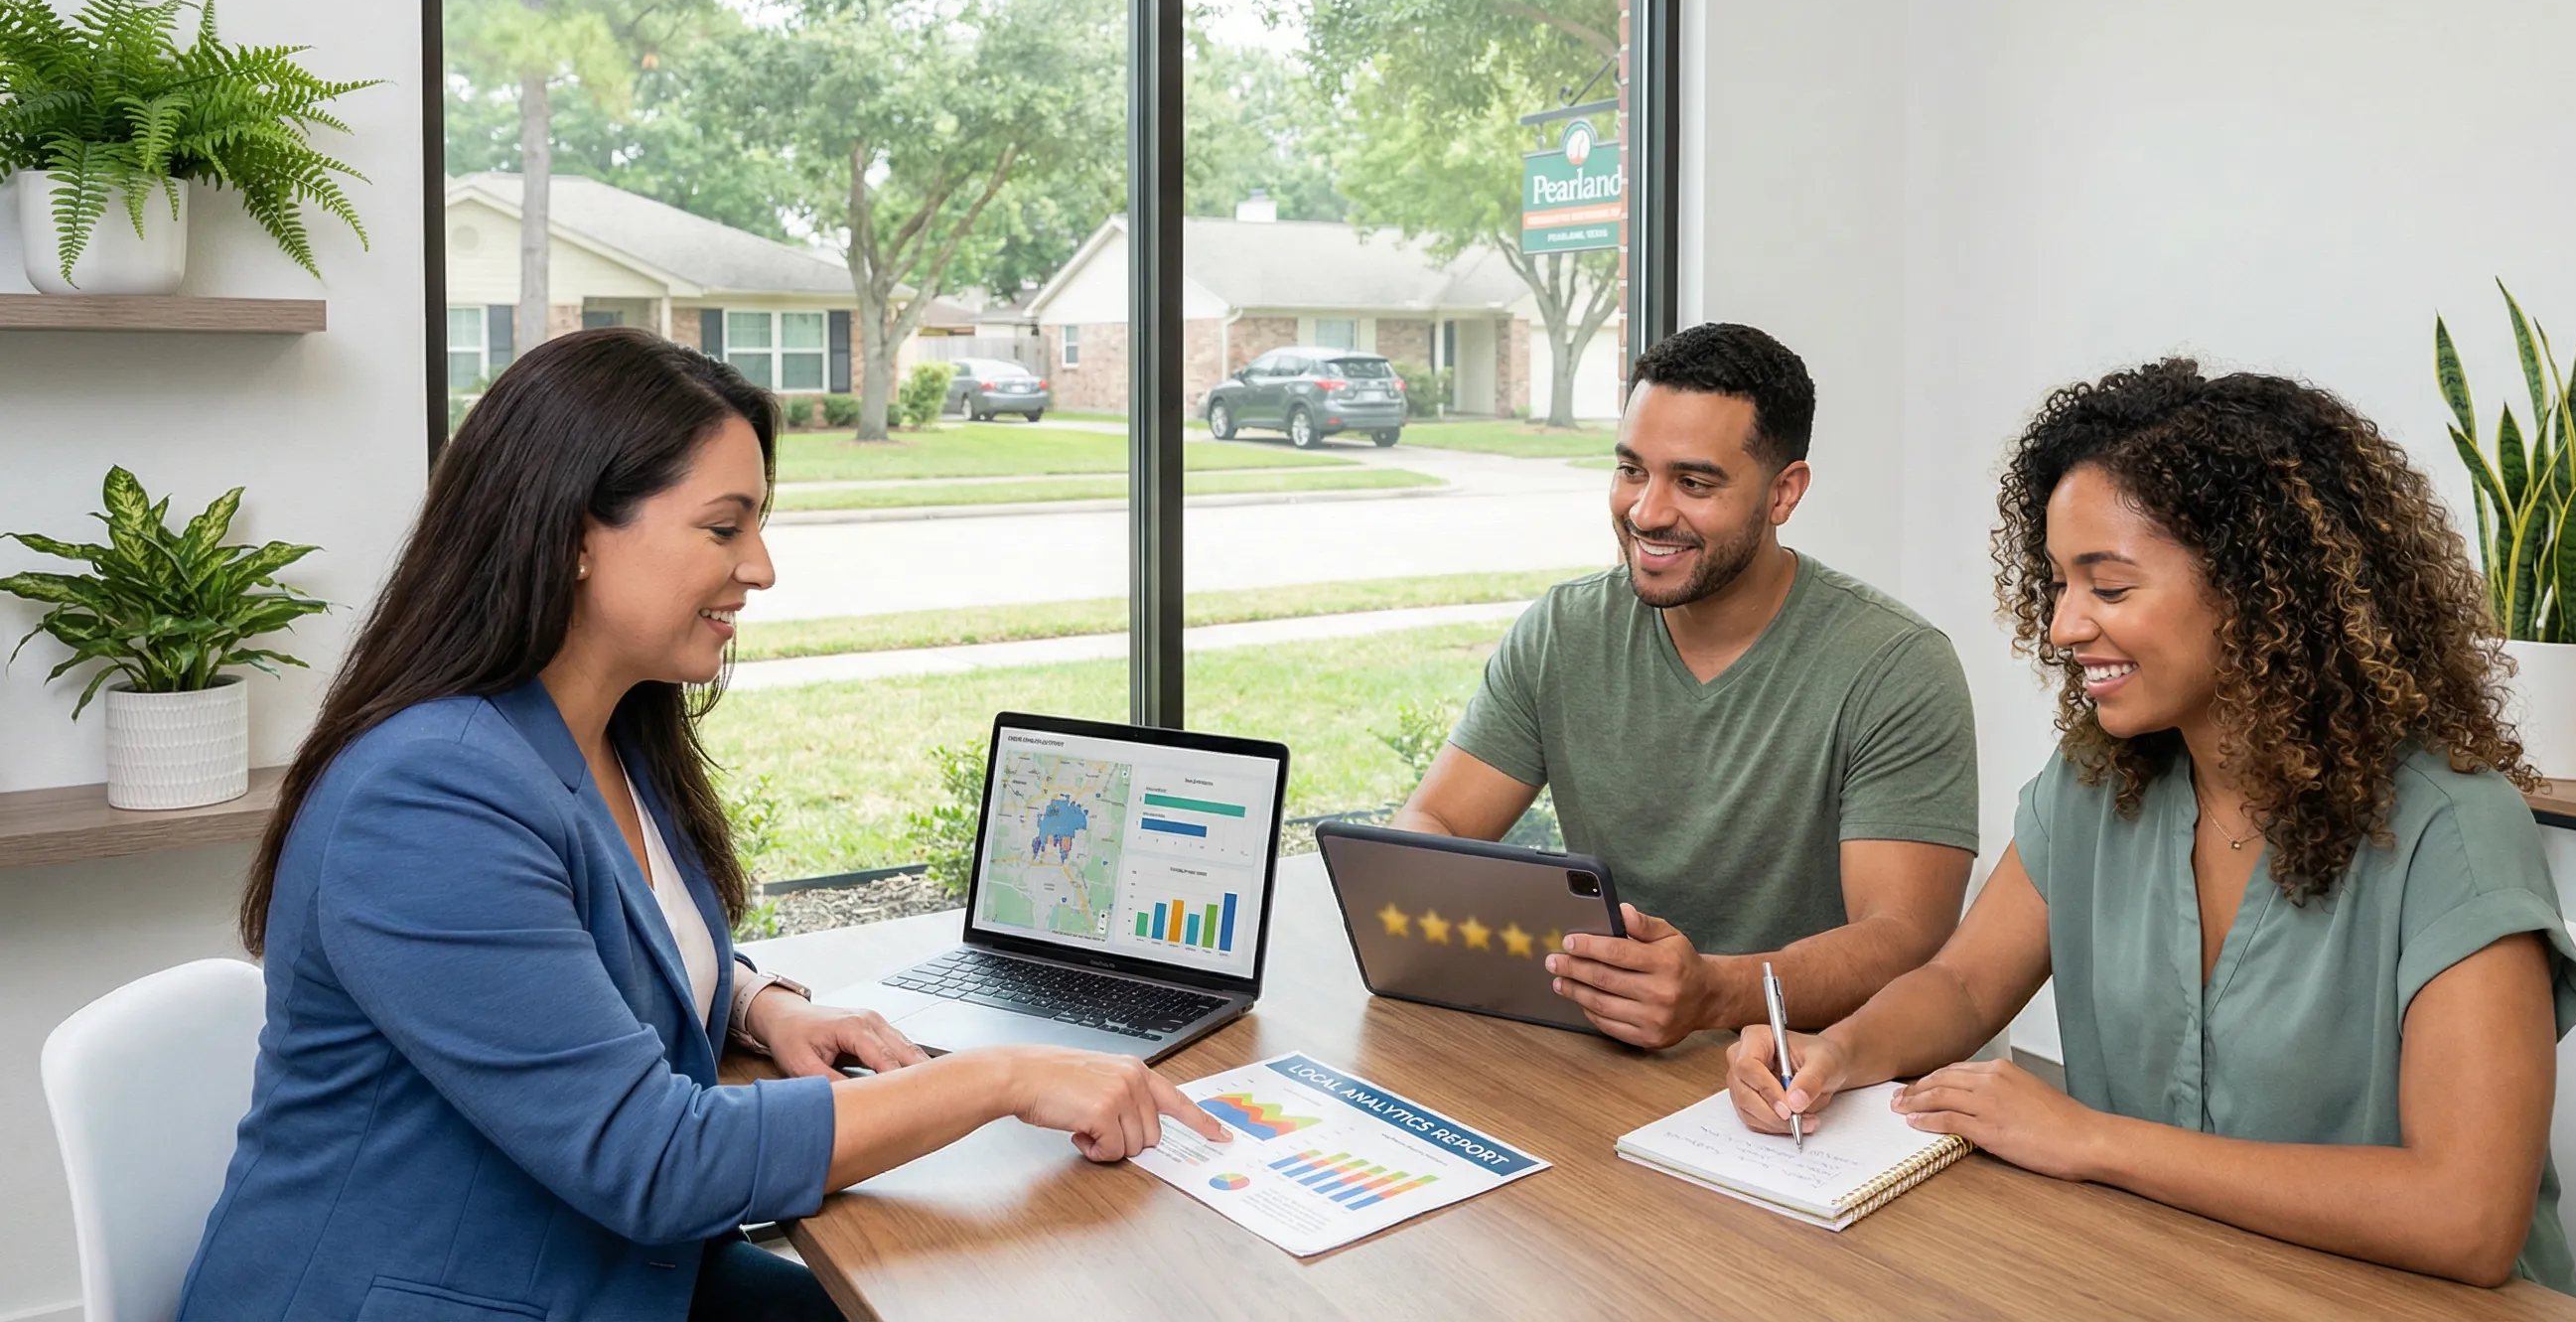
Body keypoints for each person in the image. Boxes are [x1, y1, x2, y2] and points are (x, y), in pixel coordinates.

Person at [180, 331, 1228, 1321]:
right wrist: (1001, 1075)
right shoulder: (428, 797)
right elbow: (657, 1163)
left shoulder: (602, 730)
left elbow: (583, 941)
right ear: (573, 534)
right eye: (725, 528)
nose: (761, 568)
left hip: (586, 1264)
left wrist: (757, 1004)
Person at [1727, 359, 2576, 1292]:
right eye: (2058, 583)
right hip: (2156, 1277)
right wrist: (1839, 1051)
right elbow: (1964, 986)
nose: (2061, 626)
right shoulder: (2095, 783)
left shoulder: (2452, 829)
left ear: (2261, 589)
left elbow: (2465, 1217)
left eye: (2109, 587)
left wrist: (2090, 1137)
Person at [1393, 323, 1981, 1050]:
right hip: (1617, 1055)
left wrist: (1715, 992)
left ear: (1783, 493)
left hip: (1819, 1075)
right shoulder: (1563, 632)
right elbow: (1432, 830)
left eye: (1694, 483)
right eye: (1632, 470)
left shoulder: (1895, 665)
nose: (1646, 512)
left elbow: (1903, 939)